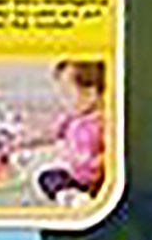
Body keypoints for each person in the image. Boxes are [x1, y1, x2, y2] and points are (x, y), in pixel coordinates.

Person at [35, 60, 106, 203]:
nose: (63, 101)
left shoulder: (102, 121)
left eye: (67, 95)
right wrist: (22, 141)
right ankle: (69, 195)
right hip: (75, 177)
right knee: (47, 177)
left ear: (90, 94)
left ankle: (82, 197)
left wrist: (99, 163)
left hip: (96, 179)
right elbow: (50, 133)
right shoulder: (71, 118)